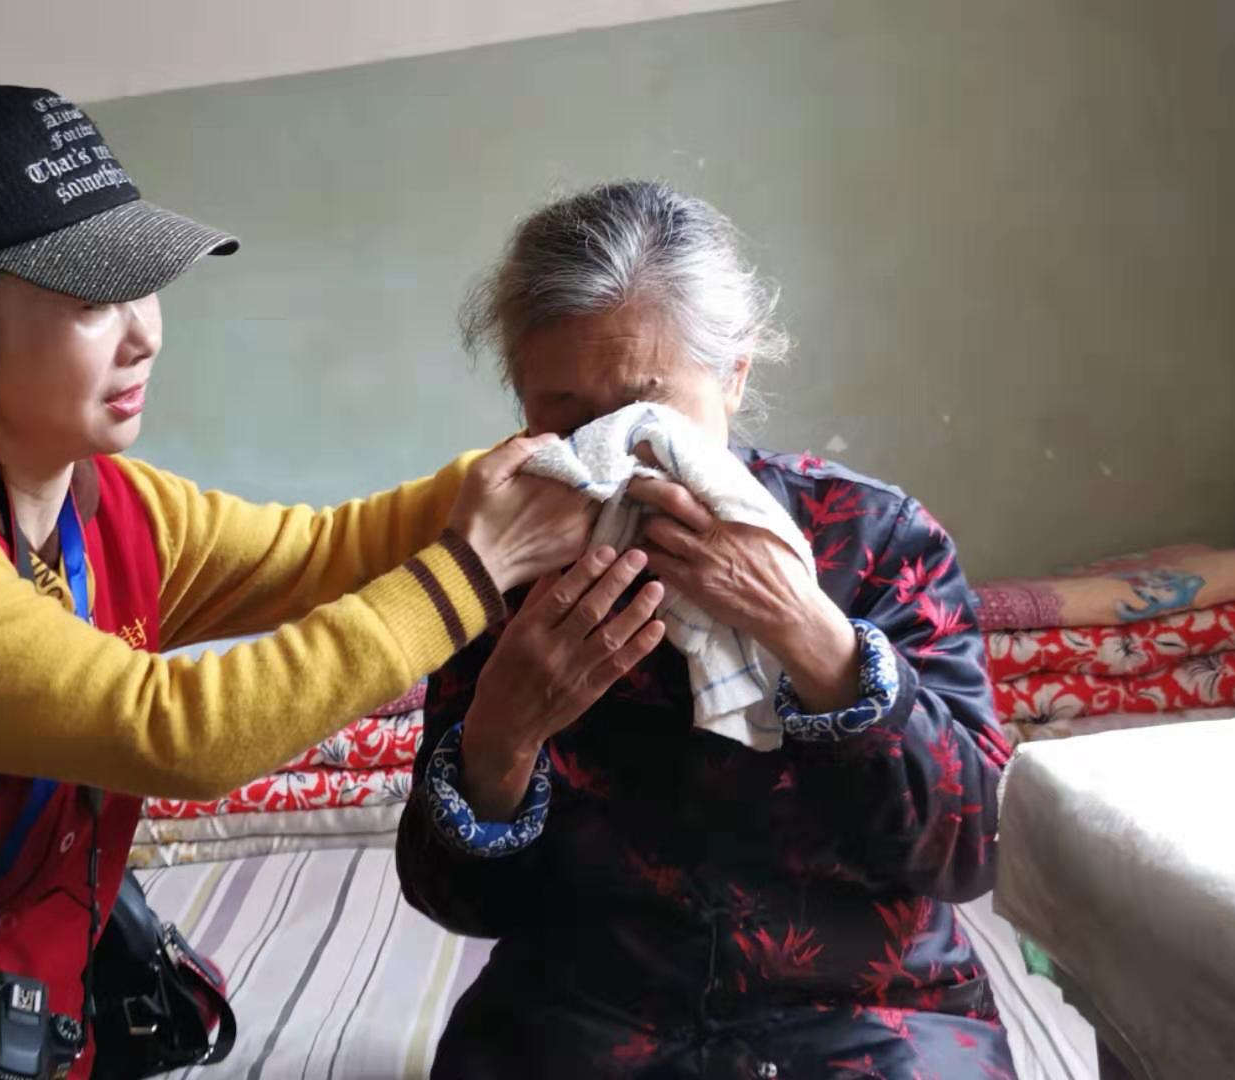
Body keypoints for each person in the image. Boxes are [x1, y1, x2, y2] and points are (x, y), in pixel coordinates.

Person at [0, 84, 608, 1079]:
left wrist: (558, 451)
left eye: (143, 288)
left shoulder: (110, 507)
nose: (144, 335)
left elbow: (323, 550)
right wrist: (474, 570)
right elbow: (180, 732)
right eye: (92, 302)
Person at [397, 180, 1016, 1079]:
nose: (615, 452)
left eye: (651, 408)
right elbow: (456, 898)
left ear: (733, 375)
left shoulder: (873, 539)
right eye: (568, 417)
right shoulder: (496, 566)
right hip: (584, 1012)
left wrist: (808, 632)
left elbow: (976, 849)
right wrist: (502, 732)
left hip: (869, 1010)